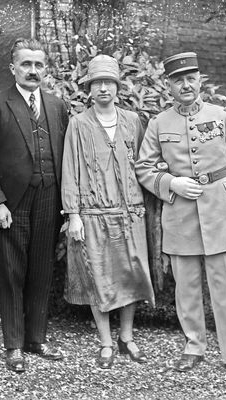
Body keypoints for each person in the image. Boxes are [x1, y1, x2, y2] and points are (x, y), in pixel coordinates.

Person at [135, 52, 226, 381]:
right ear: (169, 86)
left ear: (200, 80)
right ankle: (194, 346)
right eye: (179, 80)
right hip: (180, 216)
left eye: (191, 78)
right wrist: (170, 182)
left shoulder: (221, 116)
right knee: (187, 289)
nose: (186, 85)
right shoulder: (159, 123)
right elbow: (143, 169)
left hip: (221, 211)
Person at [0, 38, 69, 373]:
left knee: (42, 270)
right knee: (12, 272)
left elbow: (67, 160)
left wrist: (68, 208)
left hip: (49, 198)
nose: (33, 71)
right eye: (26, 64)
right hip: (11, 204)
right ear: (13, 68)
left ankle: (35, 339)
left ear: (46, 69)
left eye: (39, 65)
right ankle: (13, 345)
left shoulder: (57, 106)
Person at [61, 54, 155, 369]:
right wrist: (73, 215)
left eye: (109, 82)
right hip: (92, 214)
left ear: (117, 86)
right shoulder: (78, 124)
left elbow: (146, 167)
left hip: (131, 212)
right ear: (89, 87)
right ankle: (105, 341)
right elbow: (70, 171)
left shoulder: (133, 121)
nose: (103, 88)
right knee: (98, 276)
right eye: (97, 82)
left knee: (131, 273)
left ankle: (127, 337)